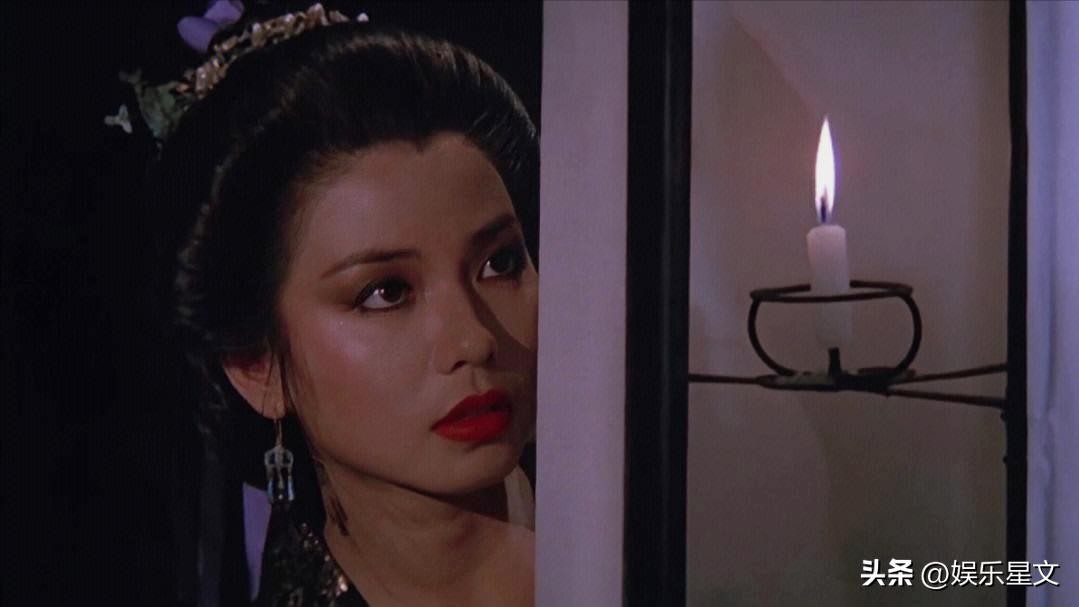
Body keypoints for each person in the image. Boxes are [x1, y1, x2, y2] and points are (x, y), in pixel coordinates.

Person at [148, 3, 539, 605]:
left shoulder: (658, 523)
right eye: (386, 293)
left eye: (500, 262)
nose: (473, 339)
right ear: (257, 365)